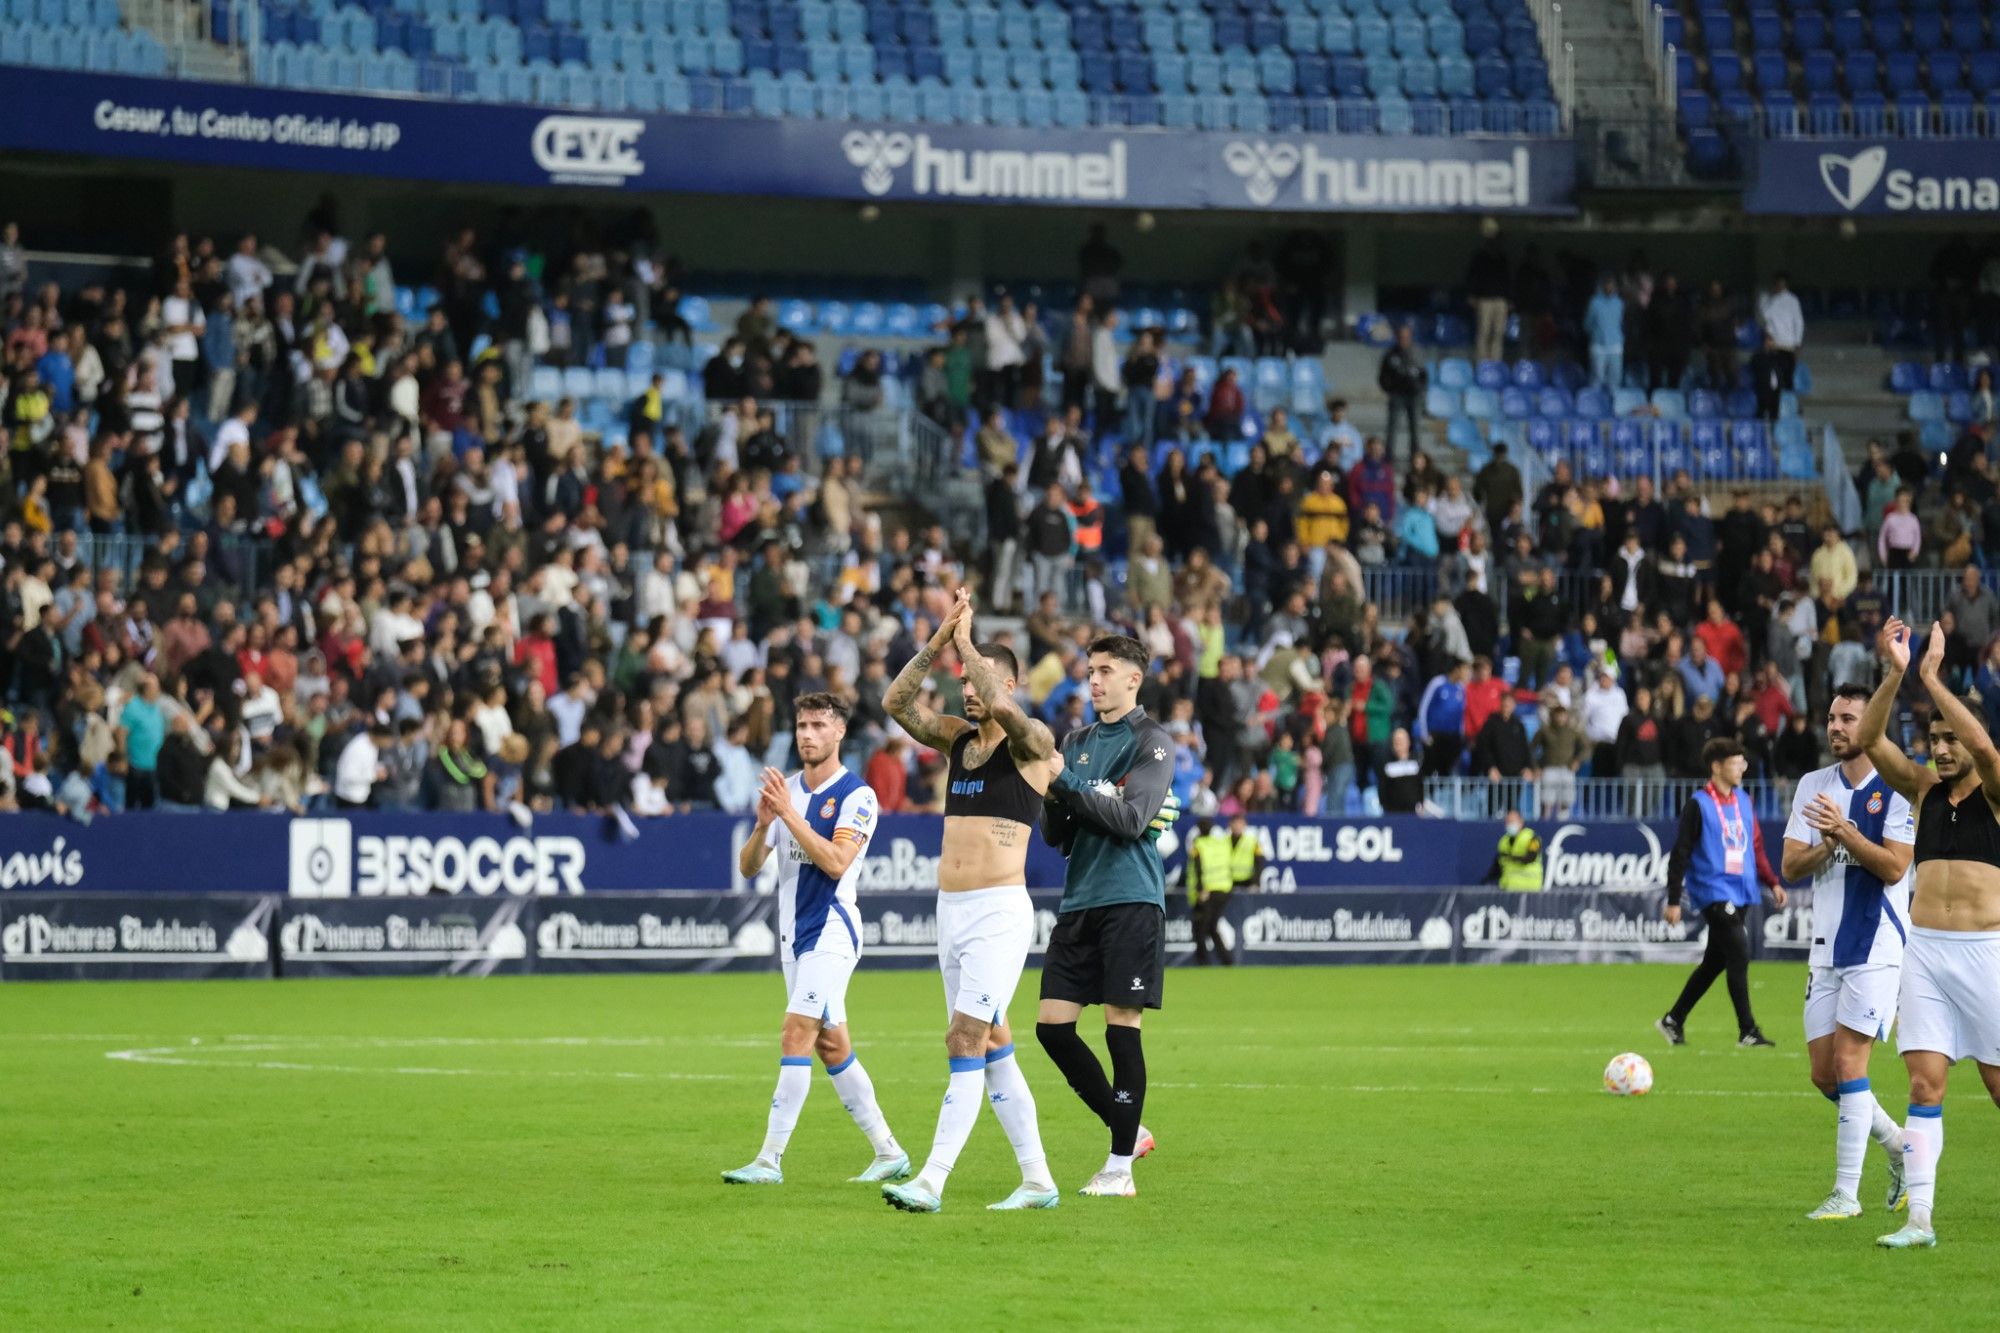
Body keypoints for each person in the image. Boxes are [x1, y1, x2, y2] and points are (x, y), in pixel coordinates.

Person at [877, 594, 1063, 1214]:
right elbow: (896, 704)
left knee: (962, 1038)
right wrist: (940, 640)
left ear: (1007, 683)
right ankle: (1038, 1180)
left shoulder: (1033, 744)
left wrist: (968, 641)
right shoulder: (958, 739)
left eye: (978, 681)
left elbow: (1005, 706)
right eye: (962, 683)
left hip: (998, 913)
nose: (967, 691)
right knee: (991, 1044)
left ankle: (931, 1179)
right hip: (949, 912)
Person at [722, 692, 907, 1187]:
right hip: (793, 936)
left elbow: (836, 862)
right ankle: (889, 1151)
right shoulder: (787, 794)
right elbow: (748, 866)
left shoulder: (856, 795)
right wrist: (764, 827)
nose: (807, 734)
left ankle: (769, 1159)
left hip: (832, 930)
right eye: (802, 725)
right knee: (830, 1044)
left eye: (818, 726)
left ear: (839, 732)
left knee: (794, 1031)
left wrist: (789, 814)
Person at [1856, 618, 2000, 1249]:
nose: (1940, 749)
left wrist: (1932, 677)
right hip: (1926, 955)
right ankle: (1919, 1222)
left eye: (1950, 739)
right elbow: (1867, 737)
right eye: (1934, 738)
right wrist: (1894, 675)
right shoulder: (1922, 788)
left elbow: (1989, 753)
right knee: (1923, 1085)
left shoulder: (1995, 787)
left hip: (1988, 955)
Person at [1036, 633, 1177, 1199]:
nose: (1092, 680)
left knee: (1122, 1029)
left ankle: (1119, 1168)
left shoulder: (1153, 742)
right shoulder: (1076, 741)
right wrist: (1050, 791)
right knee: (1051, 1028)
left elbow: (1132, 820)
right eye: (1090, 670)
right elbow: (1058, 838)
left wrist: (1066, 783)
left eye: (1104, 670)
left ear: (1133, 680)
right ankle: (1130, 1129)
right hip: (1080, 901)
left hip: (1131, 901)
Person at [1780, 683, 1915, 1222]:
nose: (1836, 727)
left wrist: (1846, 834)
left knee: (1849, 1061)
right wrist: (1826, 844)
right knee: (1824, 1074)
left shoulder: (1899, 789)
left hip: (1877, 943)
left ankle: (1845, 1194)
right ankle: (1901, 1145)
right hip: (1825, 945)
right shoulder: (1814, 786)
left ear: (1872, 725)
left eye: (1849, 719)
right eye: (1832, 718)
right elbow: (1791, 866)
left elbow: (1894, 867)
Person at [1658, 737, 1785, 1049]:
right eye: (1734, 762)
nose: (1741, 767)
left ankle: (1673, 1019)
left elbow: (1754, 845)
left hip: (1741, 889)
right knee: (1739, 951)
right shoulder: (1698, 805)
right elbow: (1680, 853)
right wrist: (1674, 899)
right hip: (1713, 891)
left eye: (1742, 761)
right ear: (1717, 767)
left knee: (1715, 962)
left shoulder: (1744, 800)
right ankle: (1748, 1030)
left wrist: (1773, 881)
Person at [1186, 816, 1235, 966]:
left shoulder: (1198, 845)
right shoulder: (1221, 843)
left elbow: (1198, 868)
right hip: (1224, 888)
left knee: (1200, 927)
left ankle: (1204, 961)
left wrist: (1201, 890)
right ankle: (1226, 960)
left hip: (1206, 891)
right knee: (1211, 926)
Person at [1375, 325, 1424, 459]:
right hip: (1397, 396)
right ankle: (1389, 457)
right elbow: (1382, 375)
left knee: (1414, 429)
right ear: (1397, 338)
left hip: (1413, 396)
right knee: (1392, 428)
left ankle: (1415, 457)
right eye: (1401, 337)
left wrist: (1419, 389)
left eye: (1406, 337)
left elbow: (1423, 374)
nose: (1404, 340)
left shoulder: (1417, 353)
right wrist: (1389, 389)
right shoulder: (1391, 354)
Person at [1489, 808, 1543, 891]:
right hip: (1509, 889)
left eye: (1512, 821)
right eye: (1507, 822)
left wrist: (1510, 857)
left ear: (1521, 822)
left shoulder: (1532, 837)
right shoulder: (1503, 841)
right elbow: (1498, 865)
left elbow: (1531, 857)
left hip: (1530, 888)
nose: (1509, 825)